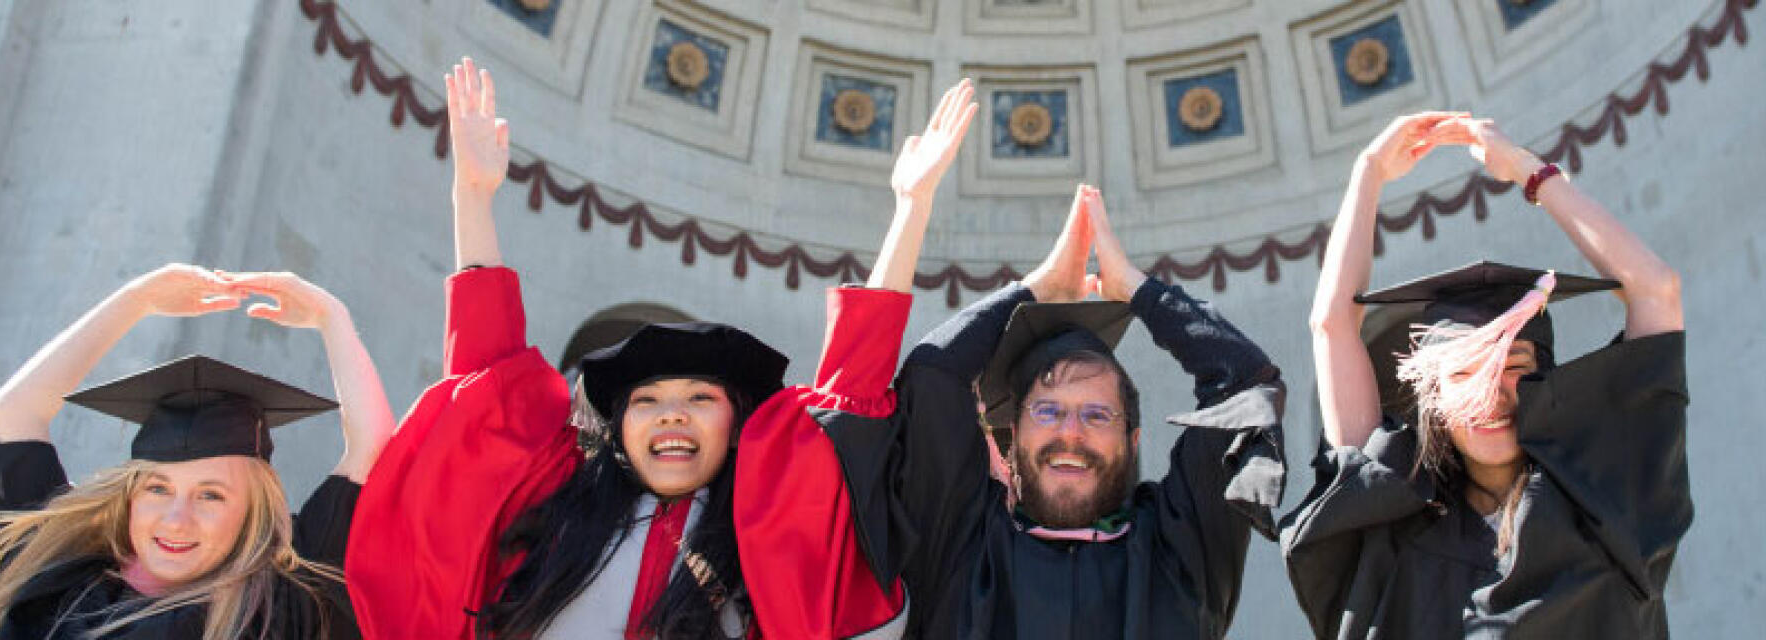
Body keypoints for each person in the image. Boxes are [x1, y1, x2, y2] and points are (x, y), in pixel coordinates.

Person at [342, 57, 979, 639]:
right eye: (646, 401)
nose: (672, 413)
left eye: (700, 397)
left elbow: (851, 390)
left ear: (738, 427)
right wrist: (473, 196)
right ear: (617, 429)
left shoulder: (764, 541)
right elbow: (486, 389)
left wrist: (910, 207)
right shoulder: (556, 517)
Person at [1281, 112, 1690, 638]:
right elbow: (1332, 327)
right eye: (1466, 372)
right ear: (1433, 400)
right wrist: (1368, 172)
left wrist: (1528, 171)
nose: (1491, 394)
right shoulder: (1387, 523)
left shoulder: (1608, 499)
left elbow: (1657, 292)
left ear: (1548, 383)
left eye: (1512, 368)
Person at [818, 182, 1288, 639]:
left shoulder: (1181, 553)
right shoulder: (960, 545)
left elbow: (1244, 385)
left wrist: (1136, 289)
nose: (1071, 432)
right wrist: (1033, 289)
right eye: (1046, 412)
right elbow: (933, 376)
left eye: (1097, 415)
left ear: (1133, 440)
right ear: (1013, 437)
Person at [0, 264, 395, 639]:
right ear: (128, 497)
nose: (176, 519)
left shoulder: (275, 606)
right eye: (157, 488)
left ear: (253, 514)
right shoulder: (53, 577)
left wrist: (333, 319)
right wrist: (136, 299)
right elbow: (14, 412)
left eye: (212, 496)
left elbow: (373, 451)